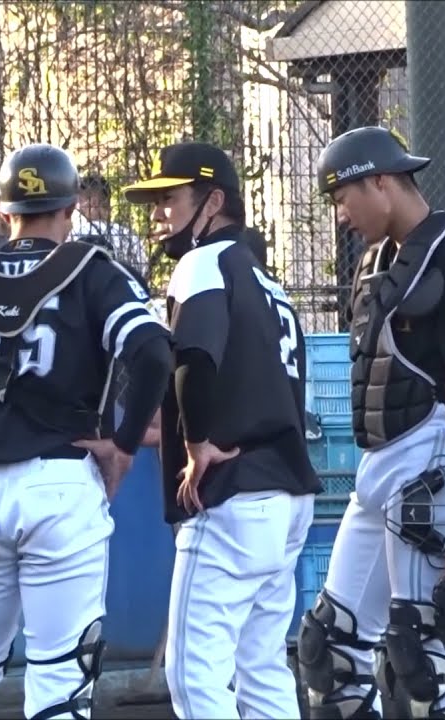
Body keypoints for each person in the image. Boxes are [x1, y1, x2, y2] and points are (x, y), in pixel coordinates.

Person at [0, 142, 171, 720]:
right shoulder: (92, 272)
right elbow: (152, 353)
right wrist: (123, 445)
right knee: (61, 676)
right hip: (62, 486)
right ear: (70, 210)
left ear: (2, 213)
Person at [296, 126, 445, 720]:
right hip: (380, 465)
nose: (341, 215)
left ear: (380, 181)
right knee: (330, 647)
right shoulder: (378, 259)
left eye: (343, 198)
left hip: (434, 462)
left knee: (426, 655)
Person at [121, 141, 322, 719]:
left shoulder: (204, 262)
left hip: (235, 493)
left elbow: (195, 357)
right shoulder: (266, 280)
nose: (159, 212)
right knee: (261, 667)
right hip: (286, 494)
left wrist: (196, 441)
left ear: (212, 202)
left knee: (193, 673)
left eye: (171, 197)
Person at [73, 173, 148, 276]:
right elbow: (143, 268)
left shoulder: (78, 233)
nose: (77, 206)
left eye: (80, 201)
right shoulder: (128, 235)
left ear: (93, 202)